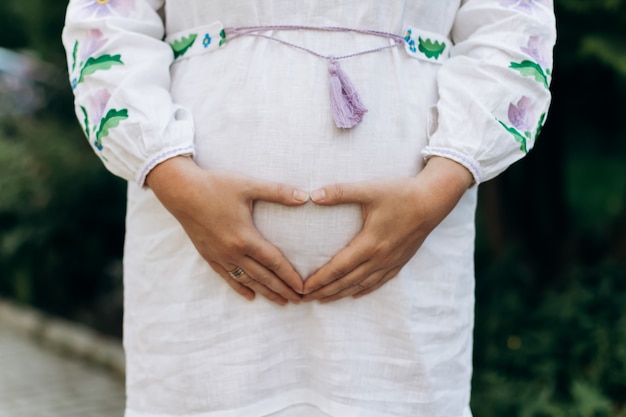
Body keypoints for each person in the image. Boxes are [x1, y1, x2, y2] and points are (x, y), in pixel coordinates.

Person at [62, 1, 556, 416]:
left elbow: (513, 28)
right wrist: (174, 177)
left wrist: (437, 188)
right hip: (197, 265)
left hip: (406, 279)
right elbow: (108, 24)